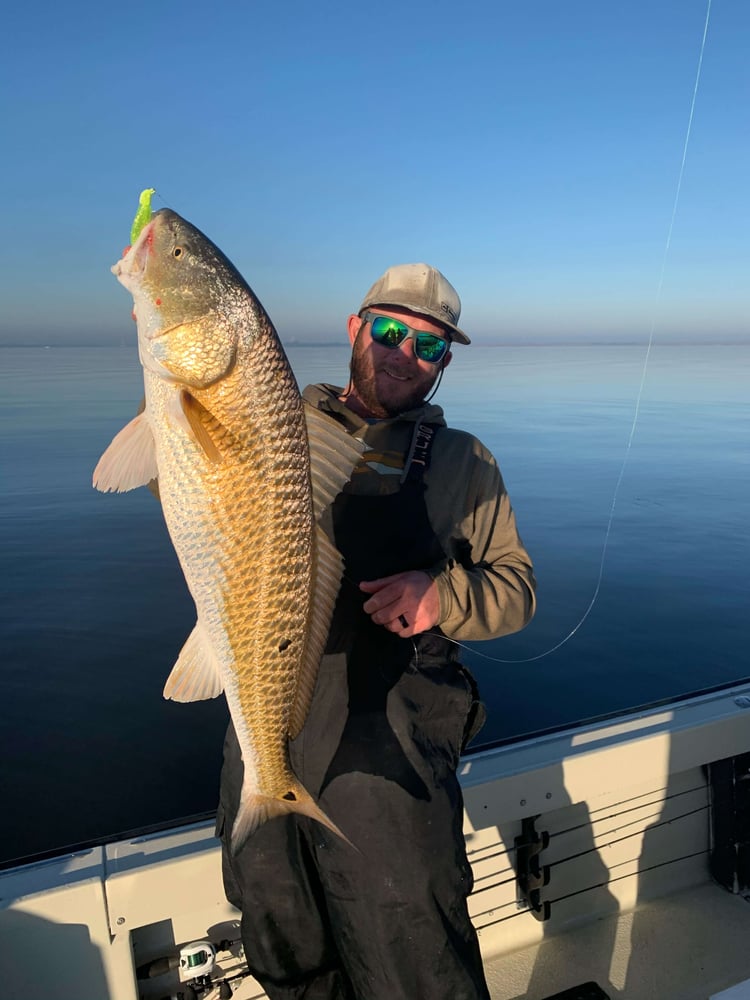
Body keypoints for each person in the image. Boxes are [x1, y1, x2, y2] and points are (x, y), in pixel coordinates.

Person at [217, 263, 536, 1000]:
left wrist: (442, 595)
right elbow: (185, 480)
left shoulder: (463, 462)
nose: (404, 354)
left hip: (393, 740)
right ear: (356, 327)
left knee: (409, 940)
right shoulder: (273, 428)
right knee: (279, 922)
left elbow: (517, 590)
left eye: (429, 346)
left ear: (445, 363)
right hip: (268, 721)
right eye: (391, 331)